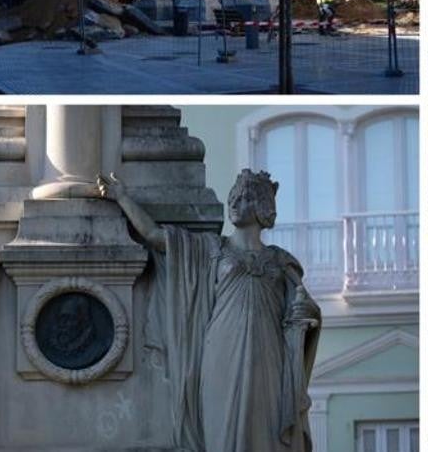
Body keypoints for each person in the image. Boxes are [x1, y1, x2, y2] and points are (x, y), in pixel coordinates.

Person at [98, 169, 320, 451]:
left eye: (245, 198)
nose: (236, 204)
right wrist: (122, 197)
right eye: (233, 199)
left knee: (267, 424)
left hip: (269, 355)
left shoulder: (281, 261)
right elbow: (155, 236)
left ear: (263, 207)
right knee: (219, 427)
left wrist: (305, 315)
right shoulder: (212, 248)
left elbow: (304, 311)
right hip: (221, 353)